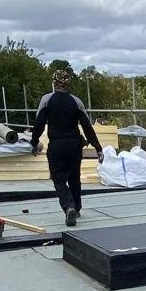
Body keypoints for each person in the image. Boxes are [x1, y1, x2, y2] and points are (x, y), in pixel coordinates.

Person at [30, 69, 102, 226]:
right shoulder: (76, 102)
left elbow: (39, 124)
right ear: (68, 83)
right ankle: (76, 207)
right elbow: (87, 127)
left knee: (58, 179)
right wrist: (98, 148)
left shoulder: (47, 100)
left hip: (56, 144)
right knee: (74, 176)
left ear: (54, 83)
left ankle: (68, 206)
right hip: (75, 145)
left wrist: (34, 141)